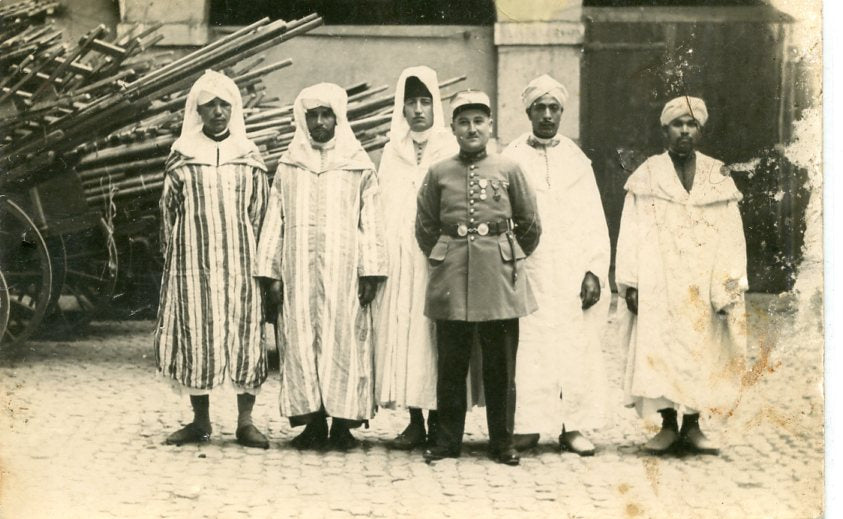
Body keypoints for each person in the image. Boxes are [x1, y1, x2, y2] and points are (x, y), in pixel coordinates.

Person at [255, 83, 388, 451]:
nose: (318, 122)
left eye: (325, 114)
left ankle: (343, 425)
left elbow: (371, 220)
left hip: (343, 273)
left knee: (344, 342)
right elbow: (275, 219)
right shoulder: (288, 165)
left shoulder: (358, 164)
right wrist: (272, 274)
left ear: (338, 118)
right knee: (299, 344)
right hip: (297, 273)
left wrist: (370, 270)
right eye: (312, 115)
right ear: (303, 119)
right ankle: (311, 422)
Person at [616, 95, 748, 456]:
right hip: (659, 278)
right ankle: (667, 425)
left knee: (700, 349)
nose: (685, 131)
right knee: (658, 349)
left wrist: (729, 284)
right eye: (678, 124)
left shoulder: (717, 174)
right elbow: (631, 231)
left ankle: (692, 425)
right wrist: (631, 282)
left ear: (701, 130)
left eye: (691, 124)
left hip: (702, 281)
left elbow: (731, 235)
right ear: (665, 130)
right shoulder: (647, 175)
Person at [416, 90, 541, 466]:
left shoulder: (509, 168)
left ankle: (502, 443)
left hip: (499, 278)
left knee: (500, 367)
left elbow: (530, 222)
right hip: (452, 277)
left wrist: (508, 255)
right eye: (464, 122)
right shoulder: (438, 172)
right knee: (451, 364)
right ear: (453, 127)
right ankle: (446, 441)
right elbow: (424, 225)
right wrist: (444, 256)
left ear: (490, 126)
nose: (472, 129)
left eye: (478, 122)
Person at [155, 70, 270, 449]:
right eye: (210, 105)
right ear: (198, 110)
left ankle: (245, 421)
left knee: (244, 335)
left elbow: (260, 213)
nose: (218, 112)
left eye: (224, 105)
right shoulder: (182, 156)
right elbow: (169, 213)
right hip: (193, 264)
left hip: (241, 264)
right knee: (197, 335)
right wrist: (177, 260)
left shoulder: (249, 157)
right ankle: (200, 421)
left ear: (234, 109)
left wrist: (263, 265)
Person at [502, 74, 611, 456]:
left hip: (569, 268)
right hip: (528, 268)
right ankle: (528, 426)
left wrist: (594, 270)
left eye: (554, 108)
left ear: (562, 111)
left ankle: (572, 426)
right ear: (527, 111)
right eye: (540, 108)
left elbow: (594, 219)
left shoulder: (577, 160)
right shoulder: (510, 157)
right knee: (529, 347)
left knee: (574, 344)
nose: (547, 115)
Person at [373, 66, 459, 450]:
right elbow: (383, 204)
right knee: (404, 332)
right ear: (402, 108)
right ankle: (414, 419)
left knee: (435, 335)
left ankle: (441, 417)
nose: (419, 110)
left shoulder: (449, 147)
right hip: (400, 254)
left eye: (426, 102)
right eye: (412, 103)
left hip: (438, 256)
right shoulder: (392, 150)